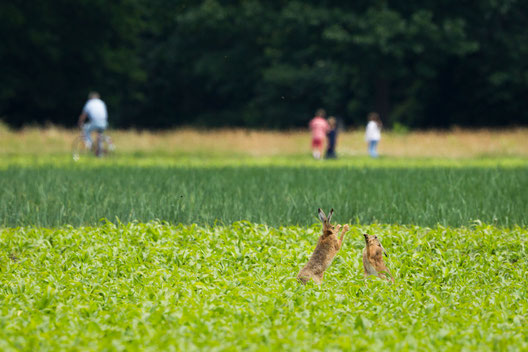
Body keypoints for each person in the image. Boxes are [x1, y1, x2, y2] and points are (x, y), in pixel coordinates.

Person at [78, 92, 108, 156]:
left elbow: (84, 115)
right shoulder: (101, 102)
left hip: (95, 122)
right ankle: (99, 154)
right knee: (99, 135)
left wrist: (80, 123)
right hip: (104, 123)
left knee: (85, 130)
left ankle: (91, 146)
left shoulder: (89, 103)